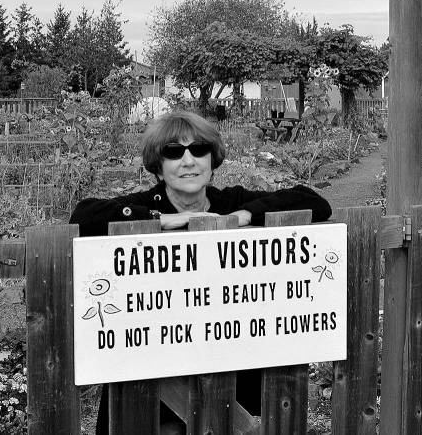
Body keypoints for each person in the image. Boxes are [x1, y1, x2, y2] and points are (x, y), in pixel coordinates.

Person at [70, 110, 332, 434]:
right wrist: (158, 219)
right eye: (174, 152)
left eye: (198, 150)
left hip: (227, 374)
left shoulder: (229, 201)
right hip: (155, 378)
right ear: (159, 164)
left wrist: (246, 215)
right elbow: (83, 215)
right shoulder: (144, 203)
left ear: (212, 158)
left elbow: (313, 201)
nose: (188, 160)